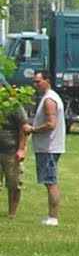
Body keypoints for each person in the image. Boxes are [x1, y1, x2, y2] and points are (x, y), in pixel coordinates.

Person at [19, 70, 64, 226]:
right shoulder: (48, 98)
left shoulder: (49, 100)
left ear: (47, 81)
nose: (35, 84)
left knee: (50, 181)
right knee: (48, 181)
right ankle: (51, 216)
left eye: (38, 81)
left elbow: (51, 125)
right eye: (34, 81)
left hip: (49, 147)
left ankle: (53, 217)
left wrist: (32, 129)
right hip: (47, 147)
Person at [0, 89, 27, 219]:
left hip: (11, 151)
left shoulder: (13, 105)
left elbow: (23, 127)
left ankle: (12, 213)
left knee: (14, 184)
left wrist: (21, 149)